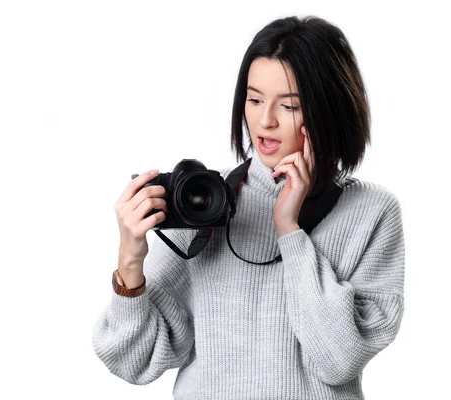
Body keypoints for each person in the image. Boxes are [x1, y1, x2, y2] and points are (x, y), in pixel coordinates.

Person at [92, 15, 405, 400]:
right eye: (254, 99)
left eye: (289, 106)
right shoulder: (204, 199)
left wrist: (289, 229)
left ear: (329, 109)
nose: (264, 121)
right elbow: (132, 362)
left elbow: (338, 361)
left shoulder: (372, 213)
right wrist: (129, 264)